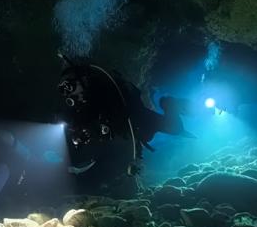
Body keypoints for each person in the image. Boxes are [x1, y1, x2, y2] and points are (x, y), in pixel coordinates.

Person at [58, 59, 191, 183]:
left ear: (83, 80)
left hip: (136, 117)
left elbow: (120, 115)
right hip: (125, 129)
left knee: (175, 128)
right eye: (64, 90)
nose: (69, 94)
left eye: (71, 86)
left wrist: (135, 157)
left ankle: (169, 104)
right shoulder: (84, 100)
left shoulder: (102, 89)